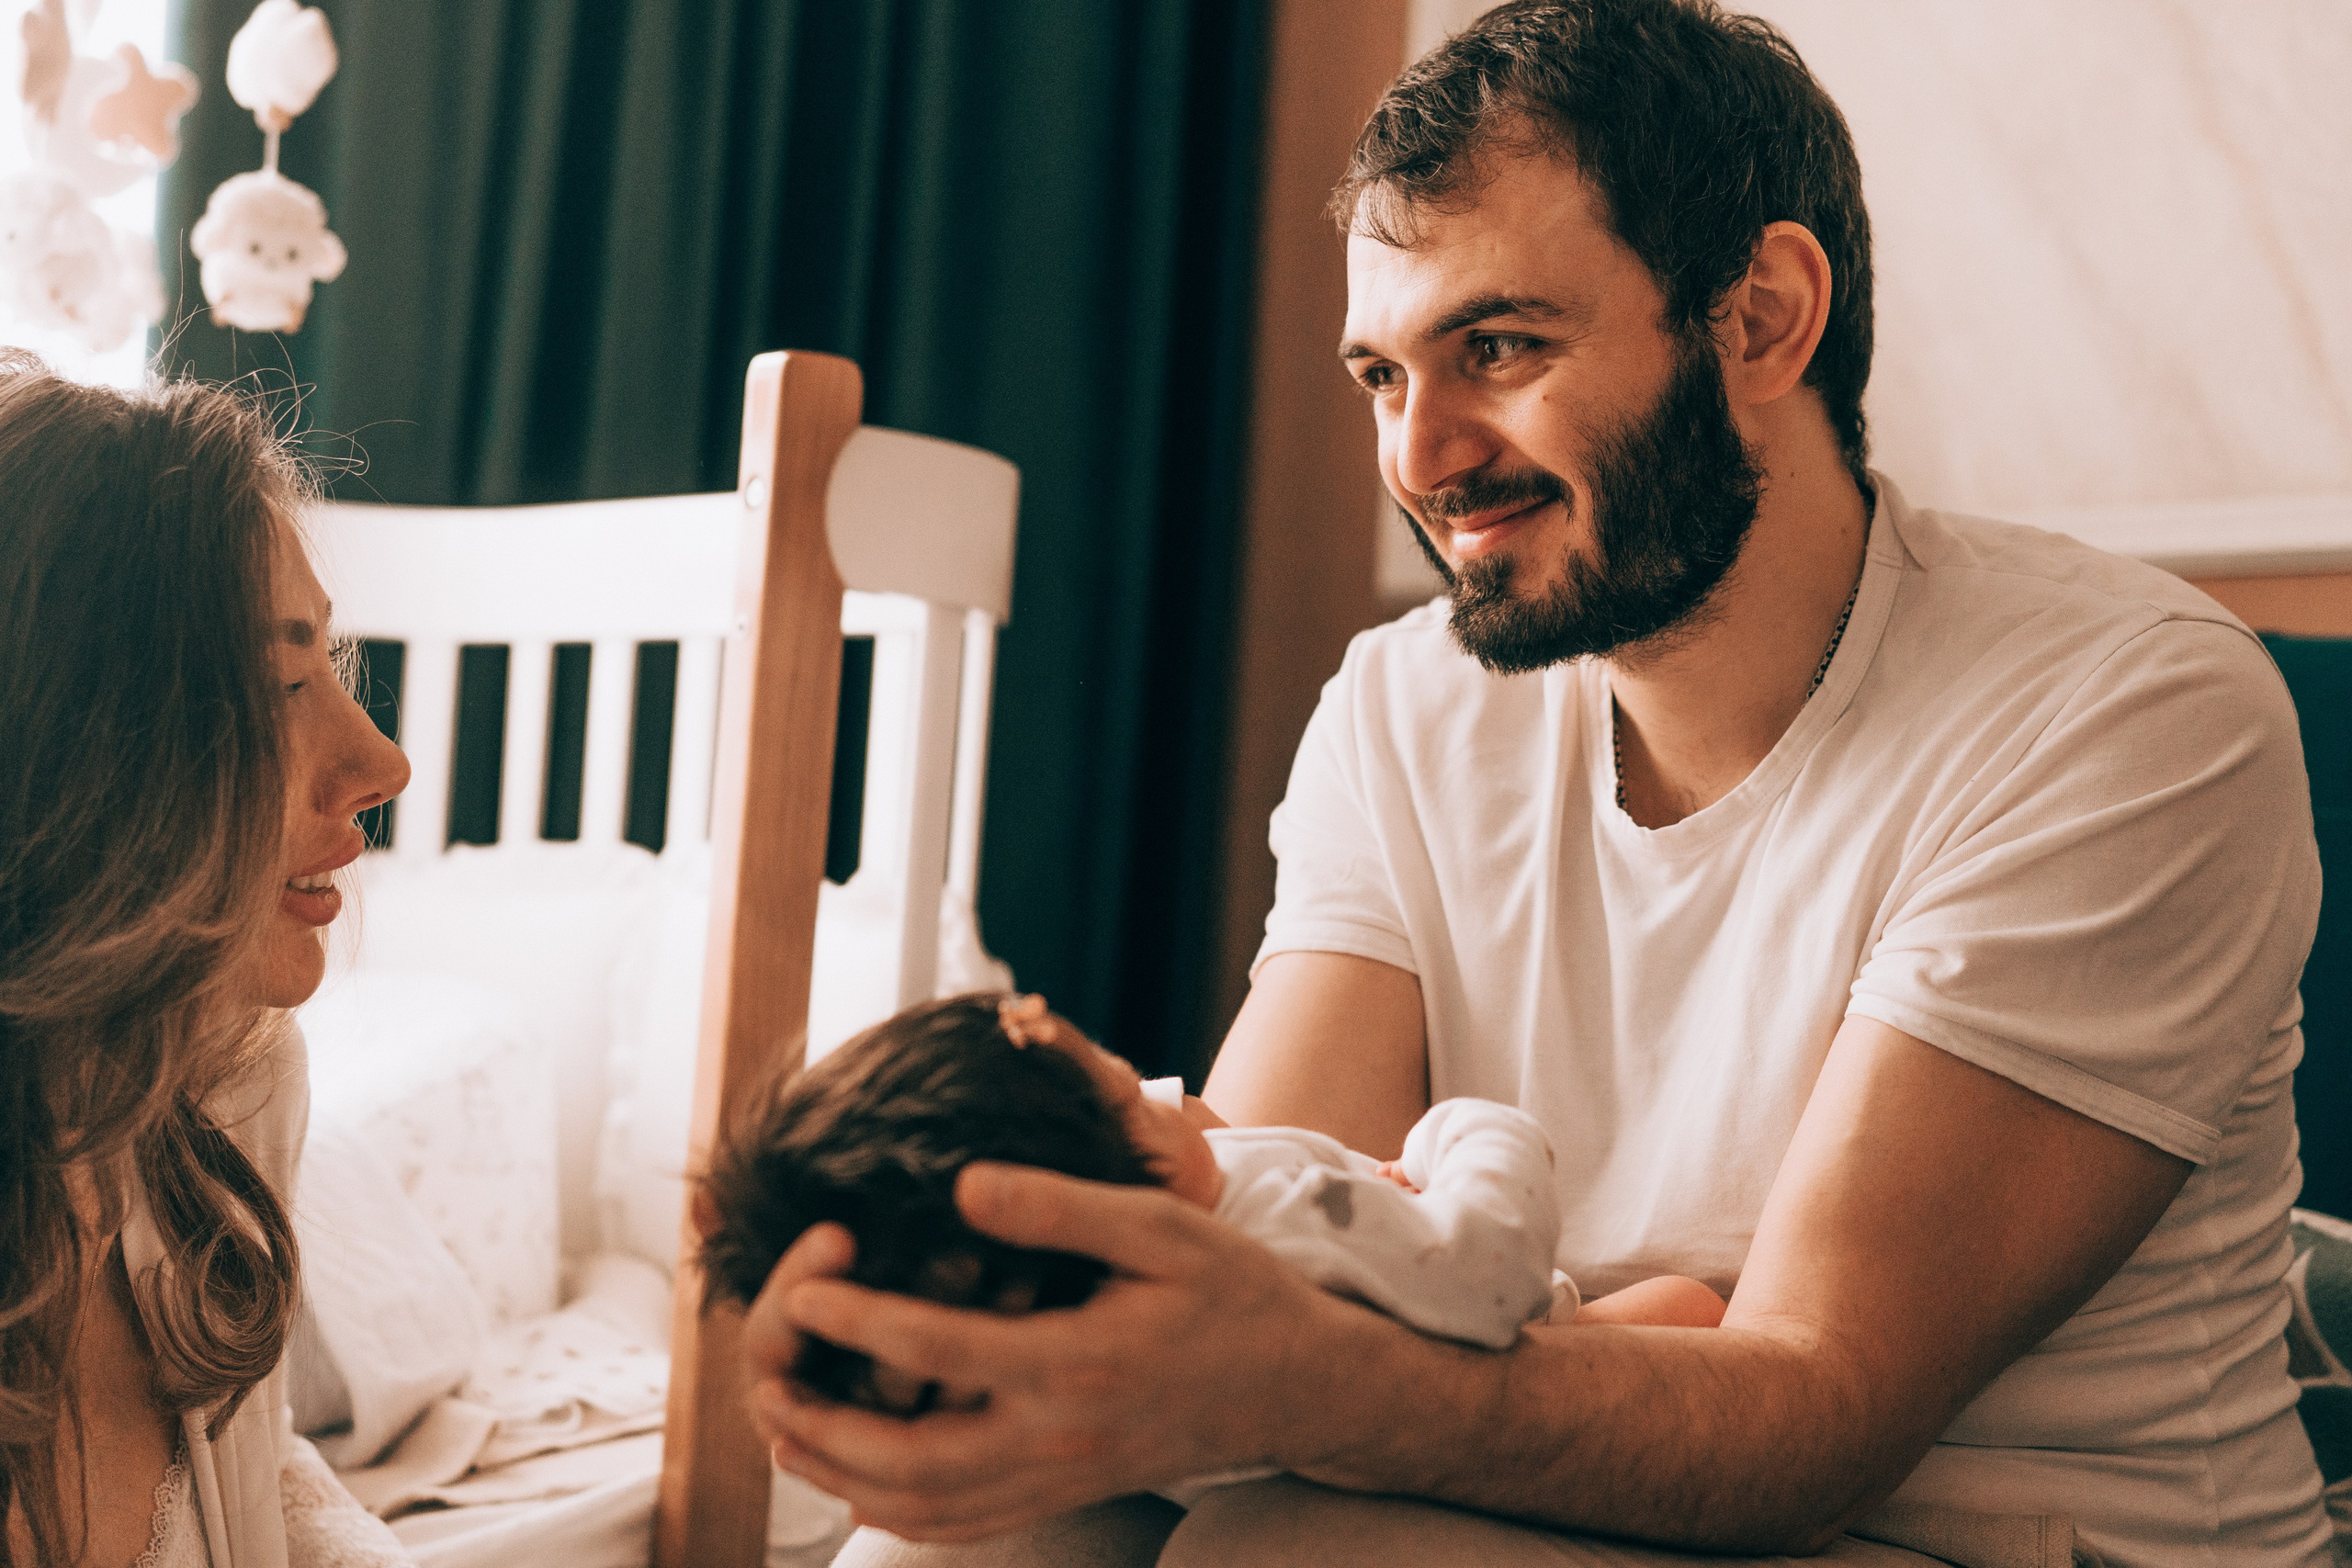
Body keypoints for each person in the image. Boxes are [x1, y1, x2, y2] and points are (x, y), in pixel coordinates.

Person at [739, 2, 2337, 1563]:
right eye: (1381, 375)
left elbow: (1817, 1410)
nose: (1421, 458)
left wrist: (1261, 1373)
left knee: (1291, 1545)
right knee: (972, 1533)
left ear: (1763, 316)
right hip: (1538, 1467)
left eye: (1495, 347)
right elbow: (1262, 1206)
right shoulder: (1404, 702)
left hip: (1990, 1529)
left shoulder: (2127, 707)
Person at [0, 357, 414, 1567]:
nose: (382, 760)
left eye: (330, 667)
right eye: (283, 684)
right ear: (72, 755)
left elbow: (251, 1457)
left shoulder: (232, 1078)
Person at [695, 992, 1722, 1419]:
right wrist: (1458, 1138)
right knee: (1686, 1307)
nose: (1159, 1091)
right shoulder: (1279, 1233)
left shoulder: (1084, 1328)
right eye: (1119, 1085)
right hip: (1524, 1345)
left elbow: (1204, 1132)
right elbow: (1490, 1267)